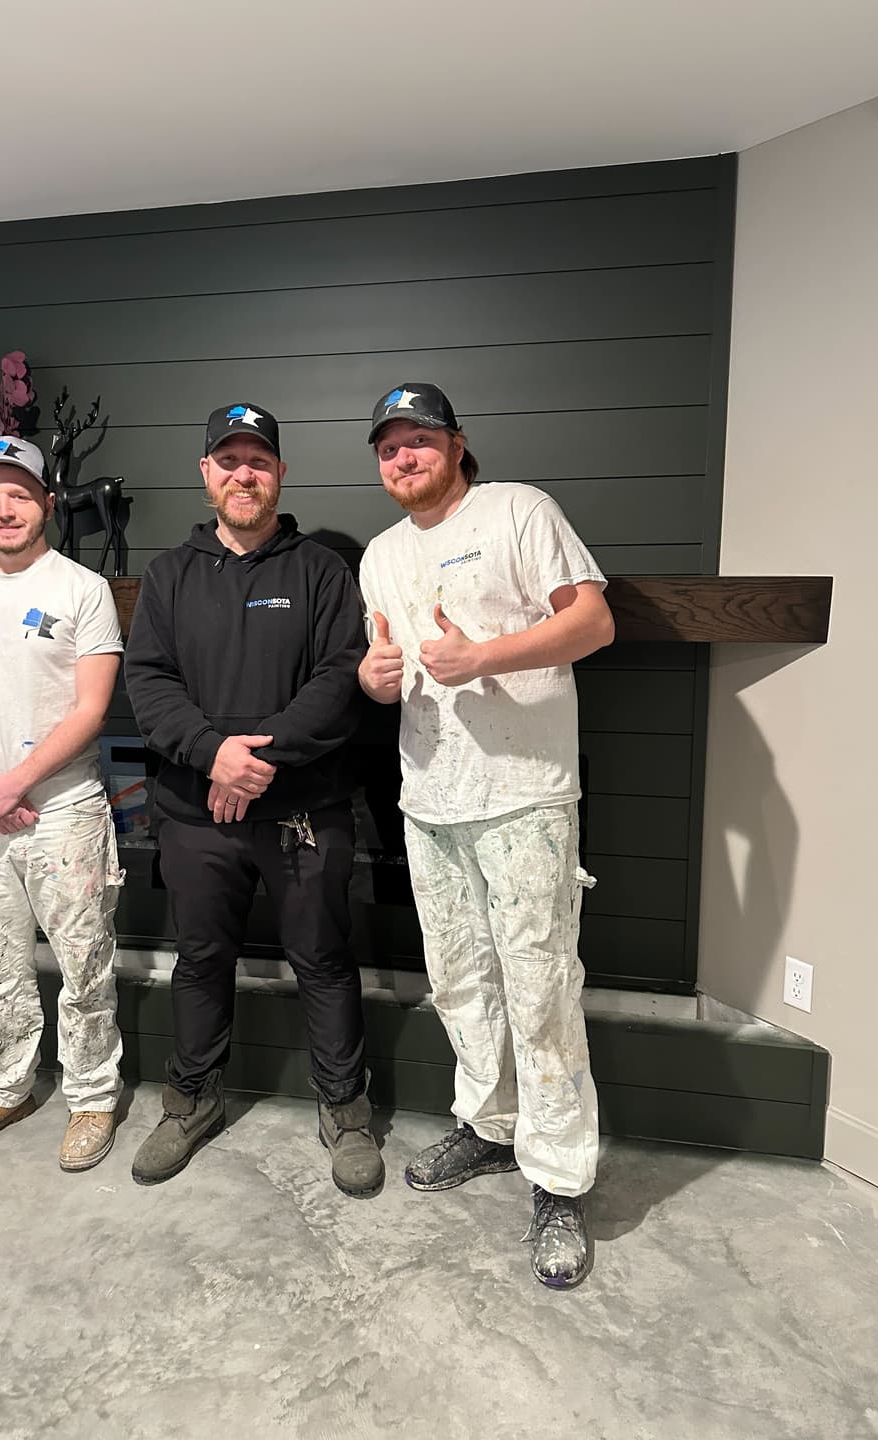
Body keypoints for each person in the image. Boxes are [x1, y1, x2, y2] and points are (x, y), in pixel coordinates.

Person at [356, 383, 615, 1288]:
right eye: (389, 446)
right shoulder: (382, 554)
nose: (404, 457)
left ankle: (559, 1178)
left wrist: (486, 656)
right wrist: (376, 675)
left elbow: (593, 620)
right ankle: (492, 1127)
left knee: (540, 986)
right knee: (460, 977)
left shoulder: (521, 511)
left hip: (527, 793)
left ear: (458, 444)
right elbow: (386, 669)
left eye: (420, 439)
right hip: (430, 796)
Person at [123, 402, 382, 1197]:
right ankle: (192, 1100)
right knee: (201, 960)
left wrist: (255, 761)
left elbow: (341, 678)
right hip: (194, 815)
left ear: (279, 474)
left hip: (303, 811)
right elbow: (148, 682)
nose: (245, 474)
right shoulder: (169, 574)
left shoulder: (321, 571)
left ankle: (345, 1110)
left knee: (326, 962)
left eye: (259, 462)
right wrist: (214, 757)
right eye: (229, 461)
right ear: (206, 475)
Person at [0, 436, 125, 1172]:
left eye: (19, 493)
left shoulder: (81, 589)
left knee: (84, 961)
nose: (4, 508)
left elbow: (91, 707)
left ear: (45, 501)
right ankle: (3, 1087)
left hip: (66, 810)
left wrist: (20, 780)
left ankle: (93, 1095)